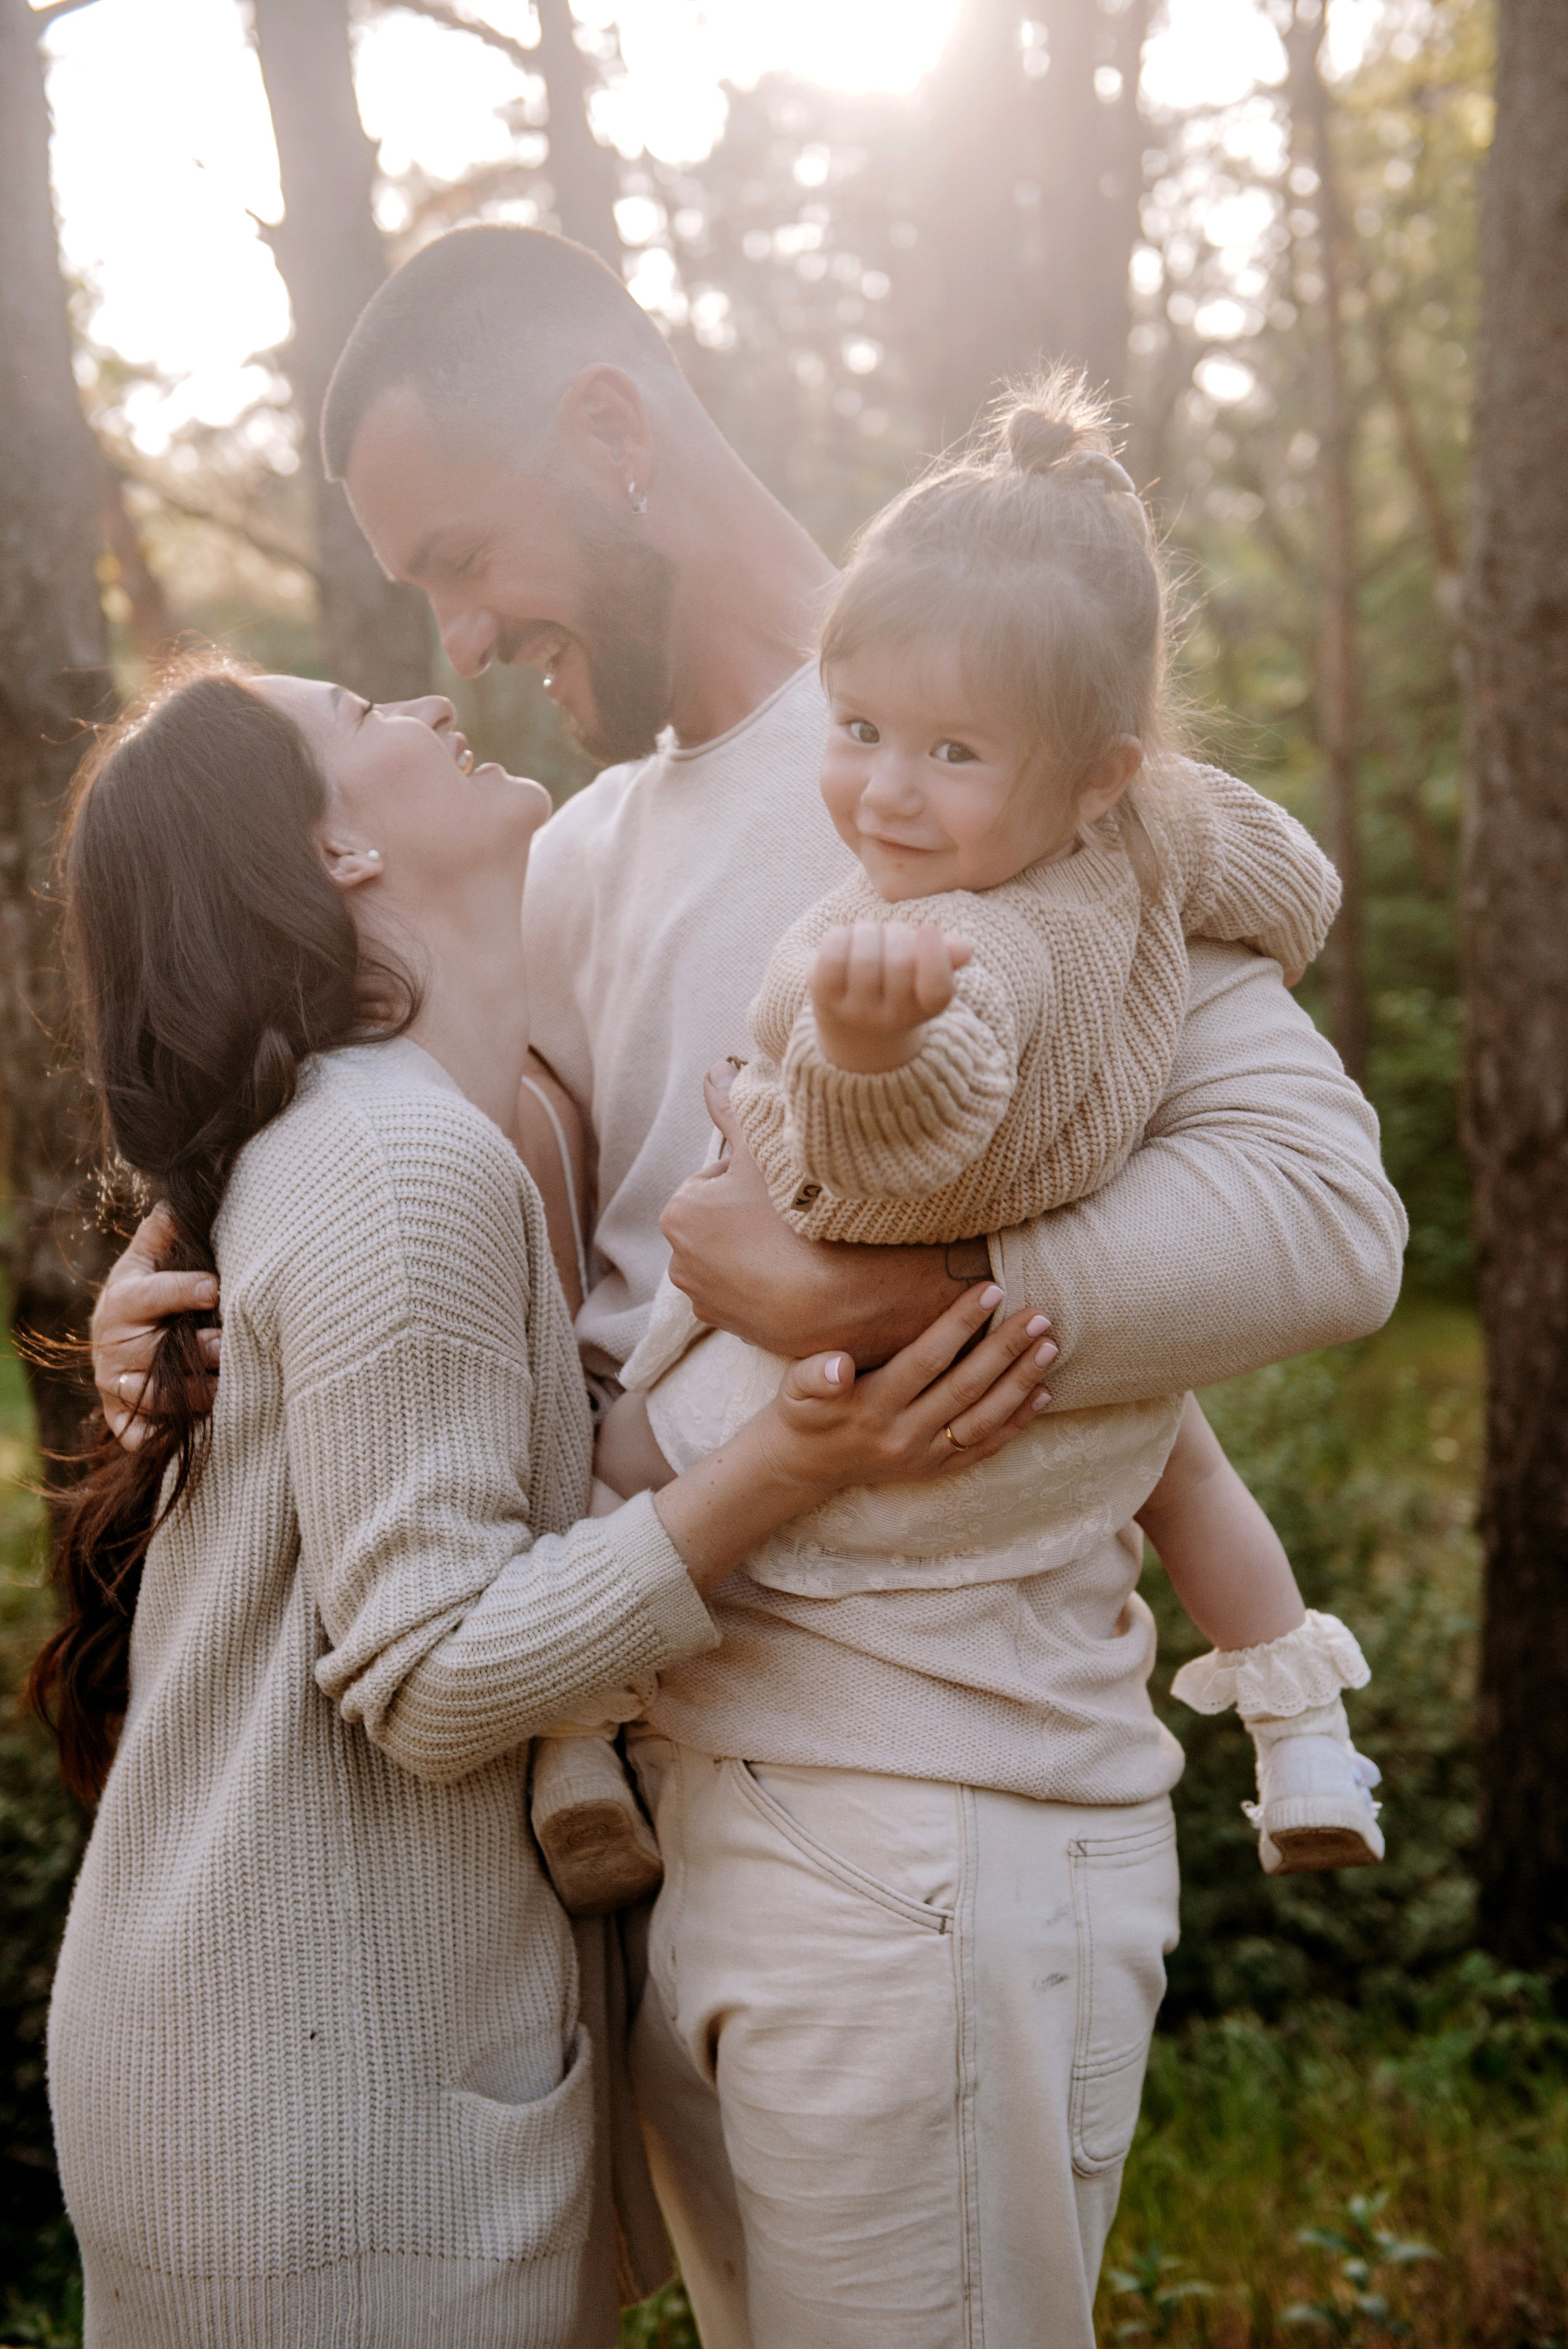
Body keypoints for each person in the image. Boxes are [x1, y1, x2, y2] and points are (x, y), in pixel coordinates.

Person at [91, 225, 1407, 2349]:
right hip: (672, 1829)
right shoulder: (584, 847)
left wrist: (856, 1282)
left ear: (610, 435)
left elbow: (1324, 1221)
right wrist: (180, 1289)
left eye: (461, 552)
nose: (456, 635)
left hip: (937, 1825)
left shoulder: (1003, 751)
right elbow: (451, 1195)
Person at [38, 658, 1052, 2349]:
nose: (429, 701)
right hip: (322, 2132)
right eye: (363, 714)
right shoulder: (395, 1164)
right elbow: (434, 1672)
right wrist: (785, 1467)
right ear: (337, 851)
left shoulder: (396, 1134)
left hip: (306, 2081)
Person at [584, 369, 1383, 1912]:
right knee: (1181, 1463)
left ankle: (572, 1723)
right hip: (1043, 1313)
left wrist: (871, 1047)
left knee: (628, 1447)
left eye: (951, 754)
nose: (885, 790)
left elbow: (911, 1133)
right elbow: (1281, 871)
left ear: (1090, 773)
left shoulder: (961, 944)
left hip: (872, 1307)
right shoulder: (1152, 831)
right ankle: (1297, 1731)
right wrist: (1248, 946)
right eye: (861, 727)